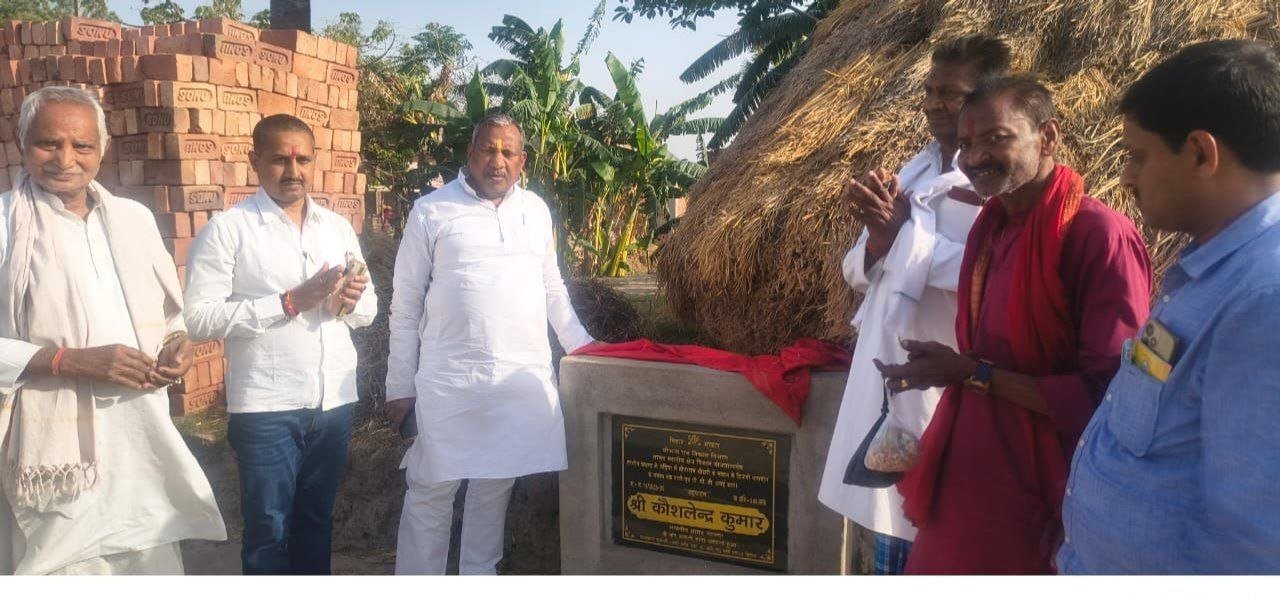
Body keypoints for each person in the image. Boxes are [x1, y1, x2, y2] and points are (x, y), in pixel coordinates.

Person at [874, 75, 1152, 573]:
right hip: (969, 472)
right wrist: (950, 369)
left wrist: (972, 374)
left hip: (1049, 493)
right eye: (965, 144)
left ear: (1048, 137)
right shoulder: (990, 229)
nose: (974, 157)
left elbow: (1112, 395)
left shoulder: (1097, 235)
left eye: (996, 138)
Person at [1059, 40, 1280, 574]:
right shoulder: (1210, 270)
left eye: (1138, 156)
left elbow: (1257, 538)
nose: (1126, 177)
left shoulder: (1263, 299)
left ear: (1202, 153)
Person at [0, 86, 224, 575]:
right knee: (62, 565)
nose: (65, 159)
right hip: (53, 459)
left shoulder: (133, 219)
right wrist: (67, 360)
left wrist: (177, 345)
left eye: (81, 146)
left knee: (148, 557)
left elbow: (170, 316)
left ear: (101, 150)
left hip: (139, 437)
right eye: (48, 144)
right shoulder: (4, 225)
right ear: (21, 144)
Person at [816, 35, 1010, 575]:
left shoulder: (999, 182)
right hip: (886, 373)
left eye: (949, 94)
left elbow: (993, 269)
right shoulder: (917, 167)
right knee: (889, 524)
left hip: (942, 380)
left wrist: (901, 235)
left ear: (989, 98)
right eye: (929, 91)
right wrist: (880, 239)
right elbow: (859, 267)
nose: (931, 104)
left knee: (931, 531)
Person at [385, 113, 597, 575]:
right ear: (470, 153)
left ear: (522, 161)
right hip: (449, 383)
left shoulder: (536, 212)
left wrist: (584, 347)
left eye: (507, 152)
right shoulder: (431, 211)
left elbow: (552, 287)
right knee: (431, 491)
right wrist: (399, 385)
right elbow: (404, 304)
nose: (496, 160)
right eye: (488, 149)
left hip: (514, 385)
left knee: (493, 490)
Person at [184, 114, 376, 574]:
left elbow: (368, 310)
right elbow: (199, 318)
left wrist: (347, 302)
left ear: (315, 161)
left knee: (316, 521)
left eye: (302, 158)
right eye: (279, 159)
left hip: (332, 401)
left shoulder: (336, 227)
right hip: (266, 406)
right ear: (255, 161)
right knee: (269, 529)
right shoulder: (229, 230)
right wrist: (288, 302)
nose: (293, 170)